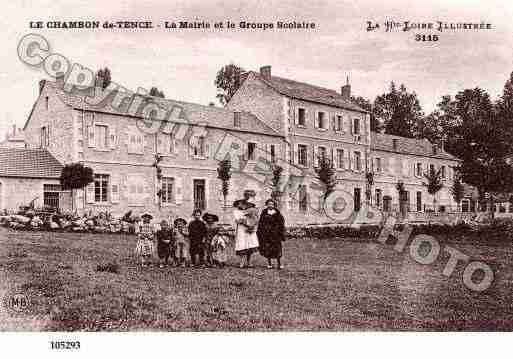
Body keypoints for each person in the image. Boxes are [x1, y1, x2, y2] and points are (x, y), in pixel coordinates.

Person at [257, 198, 286, 269]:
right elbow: (261, 222)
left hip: (275, 234)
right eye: (269, 204)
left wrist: (280, 232)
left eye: (272, 204)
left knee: (277, 248)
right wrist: (261, 231)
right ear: (266, 205)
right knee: (268, 248)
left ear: (274, 205)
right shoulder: (264, 212)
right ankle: (269, 263)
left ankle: (279, 264)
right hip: (267, 233)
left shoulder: (277, 212)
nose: (270, 205)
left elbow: (281, 223)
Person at [233, 197, 259, 268]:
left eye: (243, 204)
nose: (241, 205)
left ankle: (249, 262)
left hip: (250, 230)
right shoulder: (236, 211)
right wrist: (247, 223)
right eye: (240, 204)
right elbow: (238, 220)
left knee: (250, 245)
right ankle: (242, 262)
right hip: (242, 230)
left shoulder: (249, 210)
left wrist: (252, 225)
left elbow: (255, 218)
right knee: (242, 245)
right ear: (237, 205)